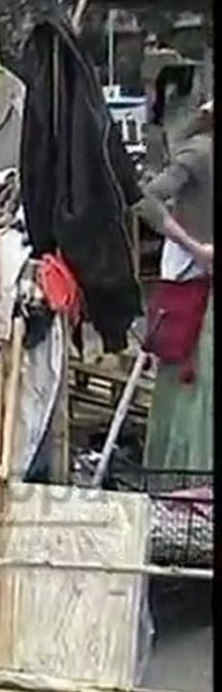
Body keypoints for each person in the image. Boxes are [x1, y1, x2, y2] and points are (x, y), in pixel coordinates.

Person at [133, 99, 213, 471]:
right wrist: (193, 246)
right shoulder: (198, 153)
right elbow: (144, 199)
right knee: (186, 381)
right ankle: (182, 473)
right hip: (190, 279)